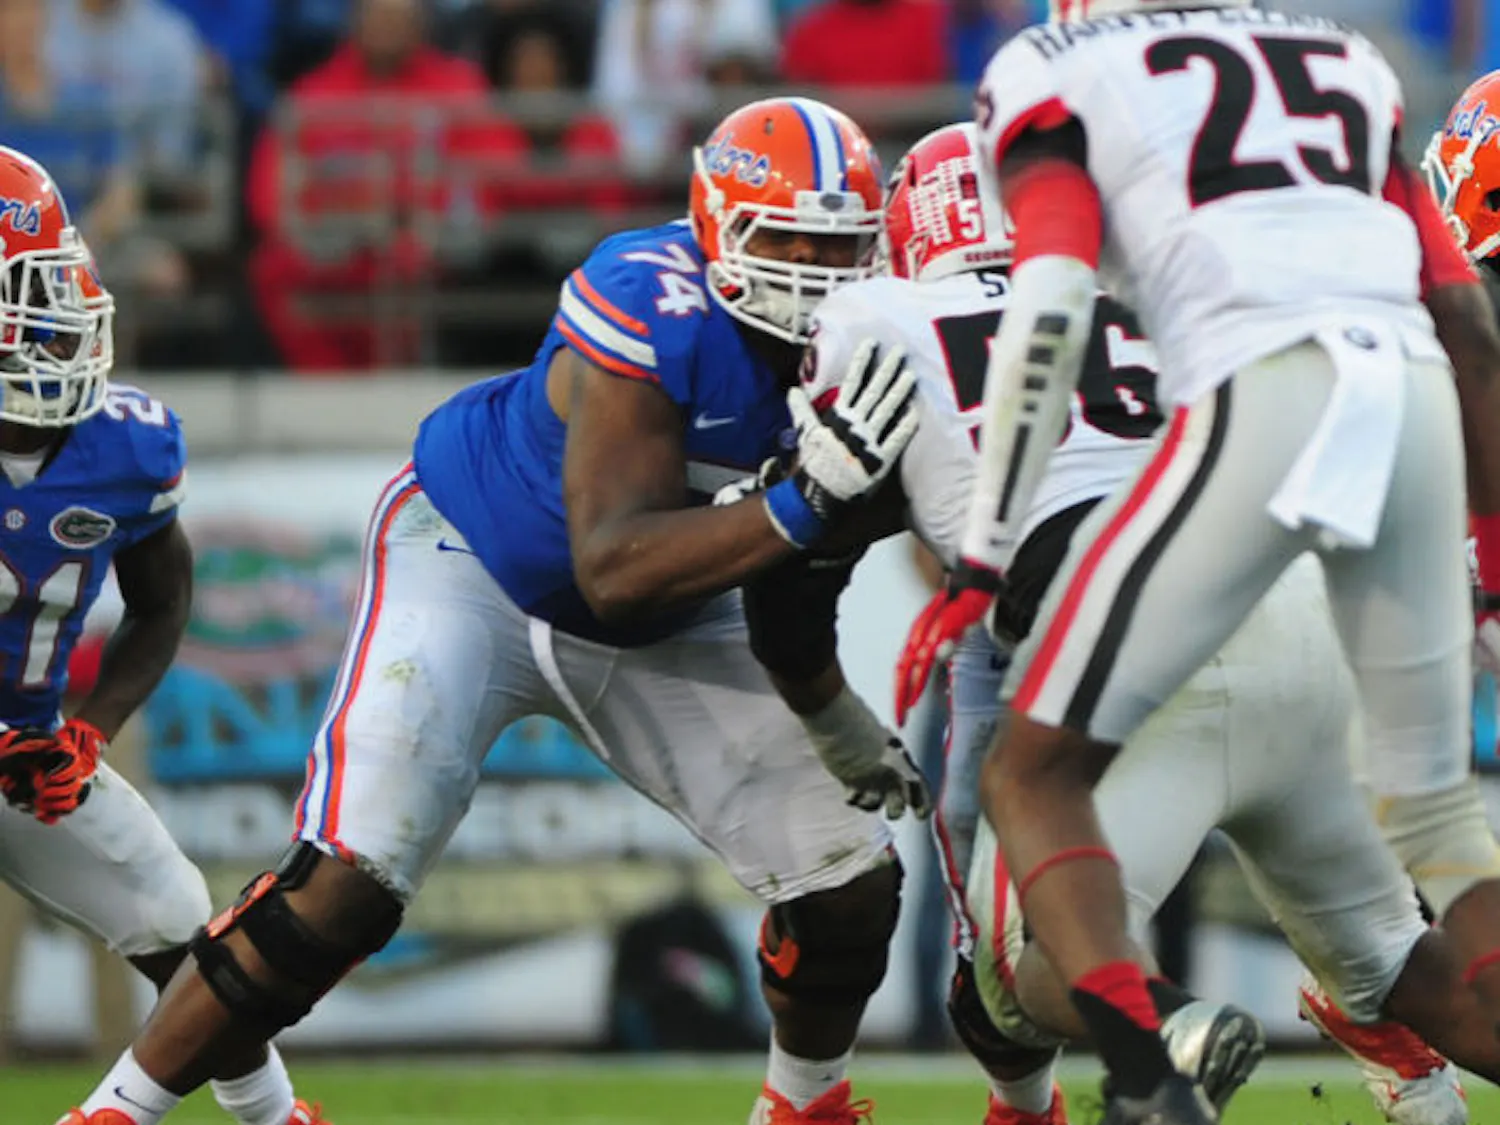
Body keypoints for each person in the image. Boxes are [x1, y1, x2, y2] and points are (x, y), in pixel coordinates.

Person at [61, 97, 927, 1125]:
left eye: (836, 241)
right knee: (345, 888)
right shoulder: (651, 295)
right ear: (718, 223)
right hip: (475, 558)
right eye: (785, 234)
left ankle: (804, 1109)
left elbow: (795, 575)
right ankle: (114, 1114)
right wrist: (798, 500)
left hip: (669, 613)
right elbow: (612, 562)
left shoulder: (886, 354)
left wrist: (830, 711)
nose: (813, 266)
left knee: (846, 882)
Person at [762, 120, 1484, 1125]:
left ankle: (1169, 1031)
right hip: (1300, 625)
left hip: (1126, 645)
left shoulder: (882, 320)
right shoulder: (1155, 298)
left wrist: (833, 713)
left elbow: (800, 568)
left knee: (1036, 967)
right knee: (1406, 964)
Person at [0, 148, 323, 1125]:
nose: (58, 321)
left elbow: (160, 602)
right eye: (27, 293)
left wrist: (88, 729)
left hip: (20, 749)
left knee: (175, 909)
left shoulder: (122, 449)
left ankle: (272, 1116)